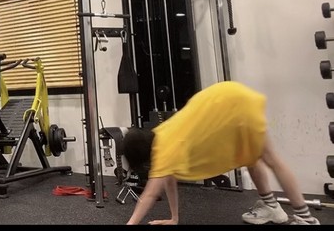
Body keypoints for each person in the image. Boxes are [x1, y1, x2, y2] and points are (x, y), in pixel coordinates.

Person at [122, 81, 320, 225]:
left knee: (270, 158)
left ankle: (307, 219)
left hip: (233, 104)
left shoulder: (164, 150)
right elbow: (168, 180)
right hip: (227, 97)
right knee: (250, 156)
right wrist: (174, 219)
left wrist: (130, 223)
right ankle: (272, 207)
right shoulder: (160, 135)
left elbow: (150, 194)